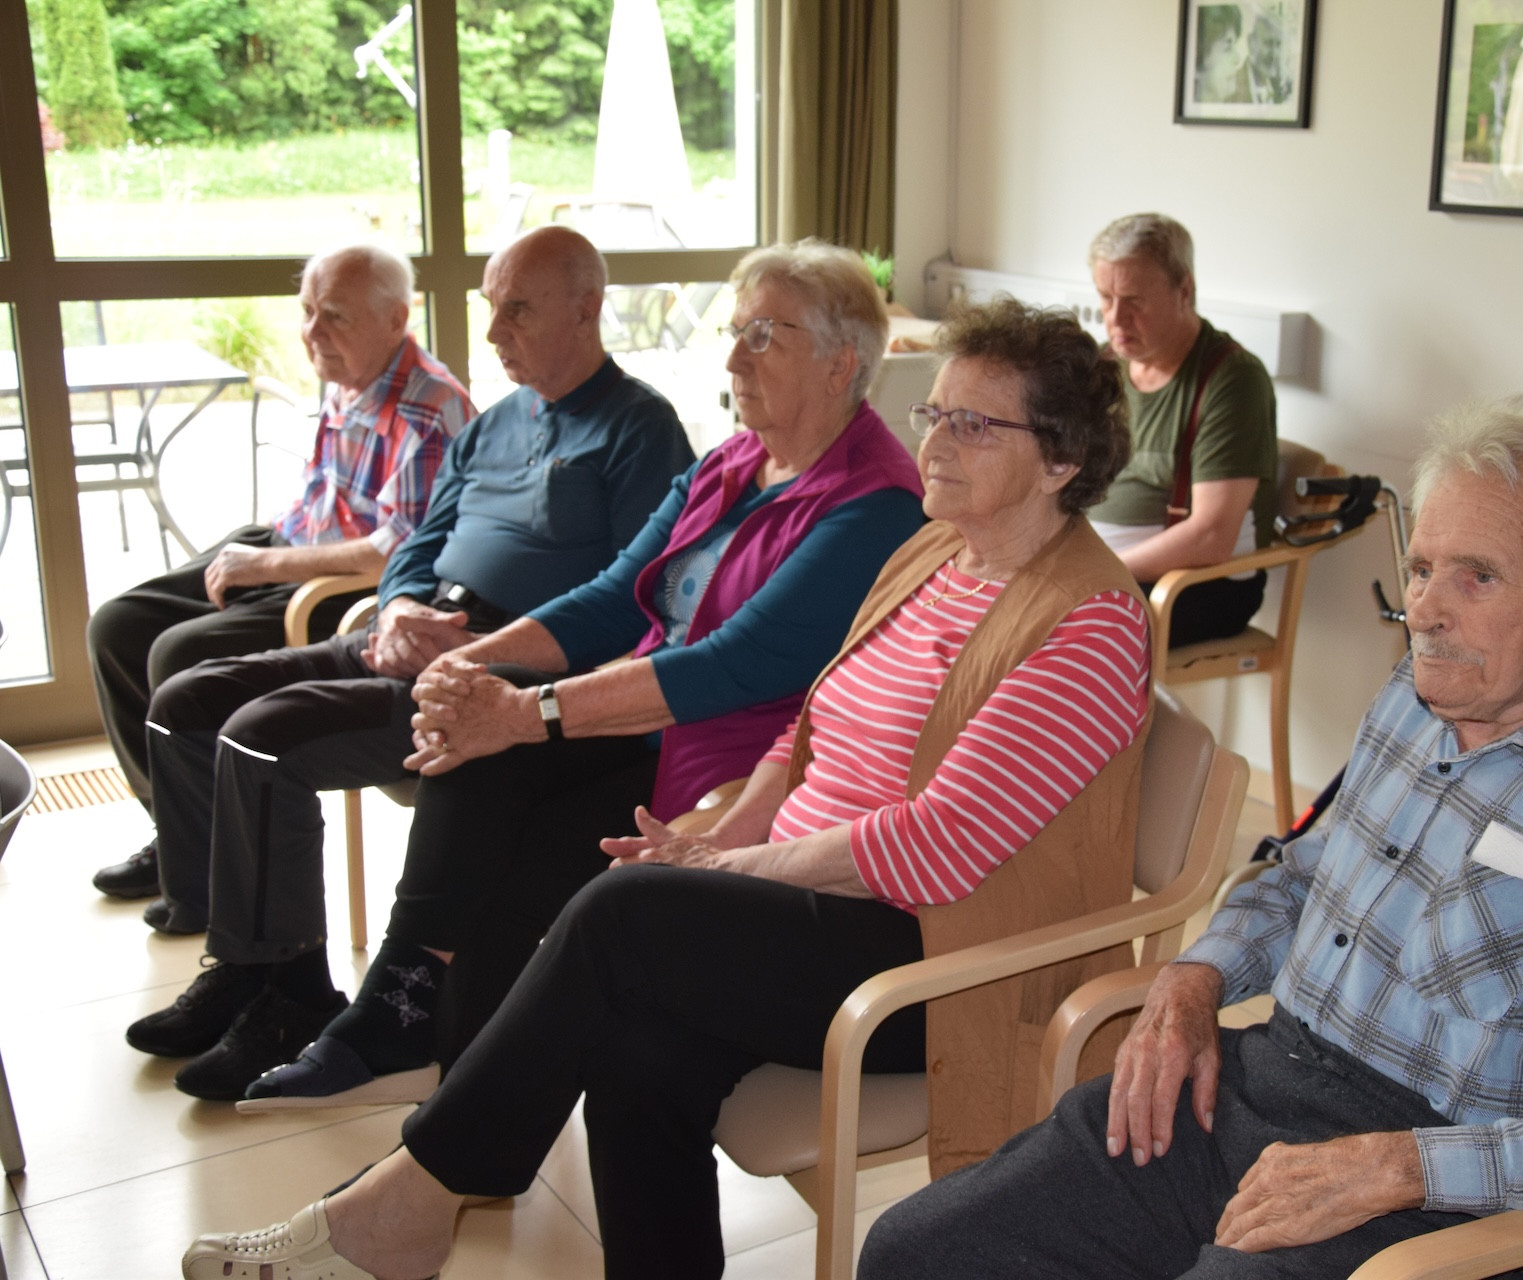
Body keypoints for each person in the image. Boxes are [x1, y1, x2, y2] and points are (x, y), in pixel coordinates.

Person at [183, 297, 1151, 1280]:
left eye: (973, 424)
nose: (936, 442)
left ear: (1063, 458)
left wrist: (728, 864)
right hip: (820, 904)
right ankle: (428, 1204)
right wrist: (730, 833)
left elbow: (934, 846)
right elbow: (808, 727)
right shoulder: (939, 552)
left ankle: (408, 1201)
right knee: (636, 1048)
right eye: (934, 414)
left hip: (941, 955)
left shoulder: (1091, 623)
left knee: (622, 913)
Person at [858, 397, 1523, 1280]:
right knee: (920, 1250)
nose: (1426, 609)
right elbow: (1303, 875)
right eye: (1421, 569)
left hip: (1452, 1192)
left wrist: (1400, 1167)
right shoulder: (1419, 698)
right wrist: (1196, 977)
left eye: (1477, 577)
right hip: (1263, 1088)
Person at [226, 238, 930, 1110]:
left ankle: (445, 1075)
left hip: (728, 762)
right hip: (644, 721)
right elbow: (606, 600)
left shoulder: (874, 504)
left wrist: (522, 710)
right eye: (735, 330)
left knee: (517, 838)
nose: (731, 356)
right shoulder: (731, 463)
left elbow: (731, 666)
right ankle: (420, 1032)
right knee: (480, 771)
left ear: (840, 365)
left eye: (763, 336)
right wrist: (469, 661)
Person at [122, 224, 695, 1099]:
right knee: (190, 700)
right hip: (418, 632)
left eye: (518, 311)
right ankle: (240, 962)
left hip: (508, 668)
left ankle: (288, 992)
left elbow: (636, 596)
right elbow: (416, 544)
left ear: (588, 310)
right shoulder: (495, 423)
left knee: (263, 737)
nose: (495, 332)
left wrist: (489, 650)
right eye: (490, 310)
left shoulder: (638, 428)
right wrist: (398, 609)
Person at [88, 243, 474, 901]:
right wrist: (260, 552)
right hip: (288, 544)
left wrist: (265, 564)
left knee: (177, 656)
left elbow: (392, 549)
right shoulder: (352, 372)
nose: (312, 334)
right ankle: (183, 834)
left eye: (333, 318)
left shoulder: (429, 405)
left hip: (338, 586)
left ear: (395, 319)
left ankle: (206, 862)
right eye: (306, 313)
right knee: (115, 627)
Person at [1086, 213, 1280, 649]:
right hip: (1101, 572)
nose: (1116, 318)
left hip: (1194, 586)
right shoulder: (1103, 368)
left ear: (1184, 290)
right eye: (1105, 297)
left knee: (1049, 634)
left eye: (1135, 300)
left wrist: (1097, 572)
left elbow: (1211, 536)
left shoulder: (1232, 380)